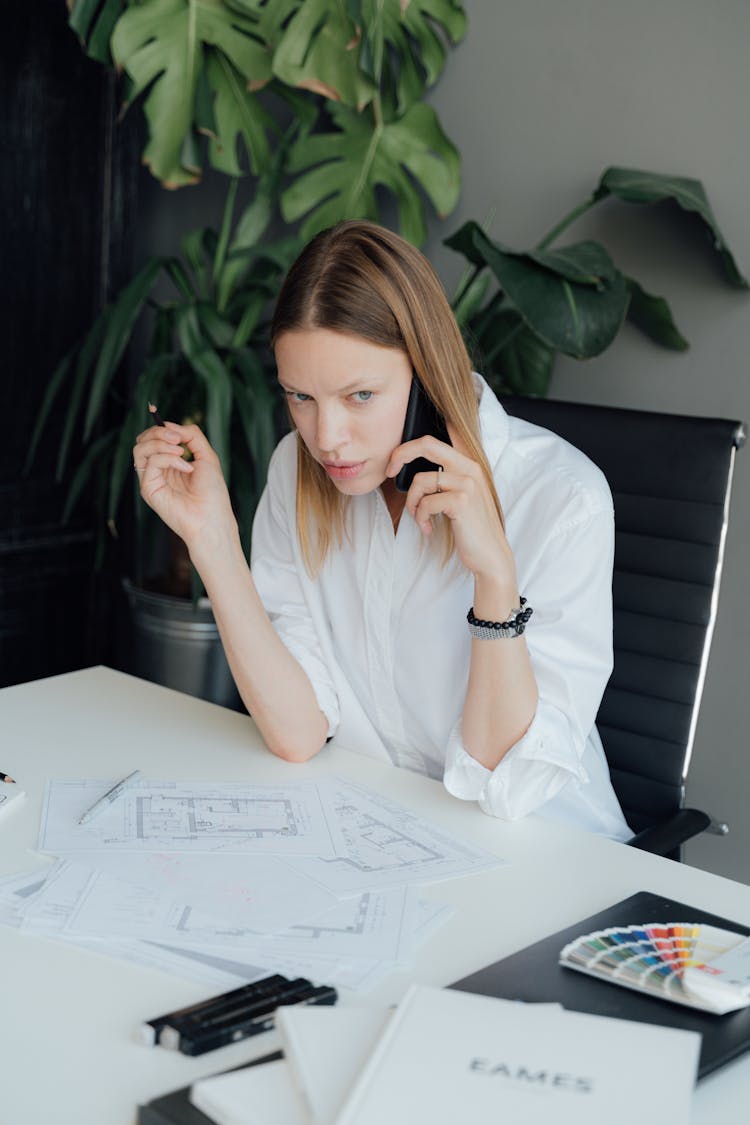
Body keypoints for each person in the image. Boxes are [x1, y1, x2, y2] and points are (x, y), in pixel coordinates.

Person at [133, 220, 630, 841]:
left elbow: (508, 786)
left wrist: (495, 579)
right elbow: (296, 733)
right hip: (381, 836)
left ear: (425, 374)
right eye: (301, 397)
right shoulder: (297, 470)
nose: (325, 437)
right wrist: (210, 539)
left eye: (360, 395)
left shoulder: (561, 498)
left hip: (549, 851)